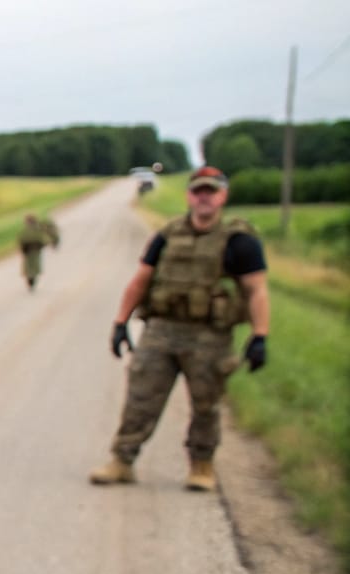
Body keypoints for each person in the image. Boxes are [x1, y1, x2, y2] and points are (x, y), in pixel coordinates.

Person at [88, 166, 269, 492]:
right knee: (140, 398)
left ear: (222, 197)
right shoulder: (167, 235)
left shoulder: (239, 243)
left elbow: (256, 290)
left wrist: (260, 336)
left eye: (210, 192)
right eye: (198, 191)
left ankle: (202, 466)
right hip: (162, 331)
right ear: (189, 195)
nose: (204, 198)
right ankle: (122, 461)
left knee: (206, 404)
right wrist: (120, 322)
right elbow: (141, 280)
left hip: (210, 337)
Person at [17, 212, 58, 291]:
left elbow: (42, 238)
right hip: (30, 250)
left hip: (33, 250)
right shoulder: (31, 230)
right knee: (30, 266)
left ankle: (31, 279)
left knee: (32, 266)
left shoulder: (34, 229)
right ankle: (31, 279)